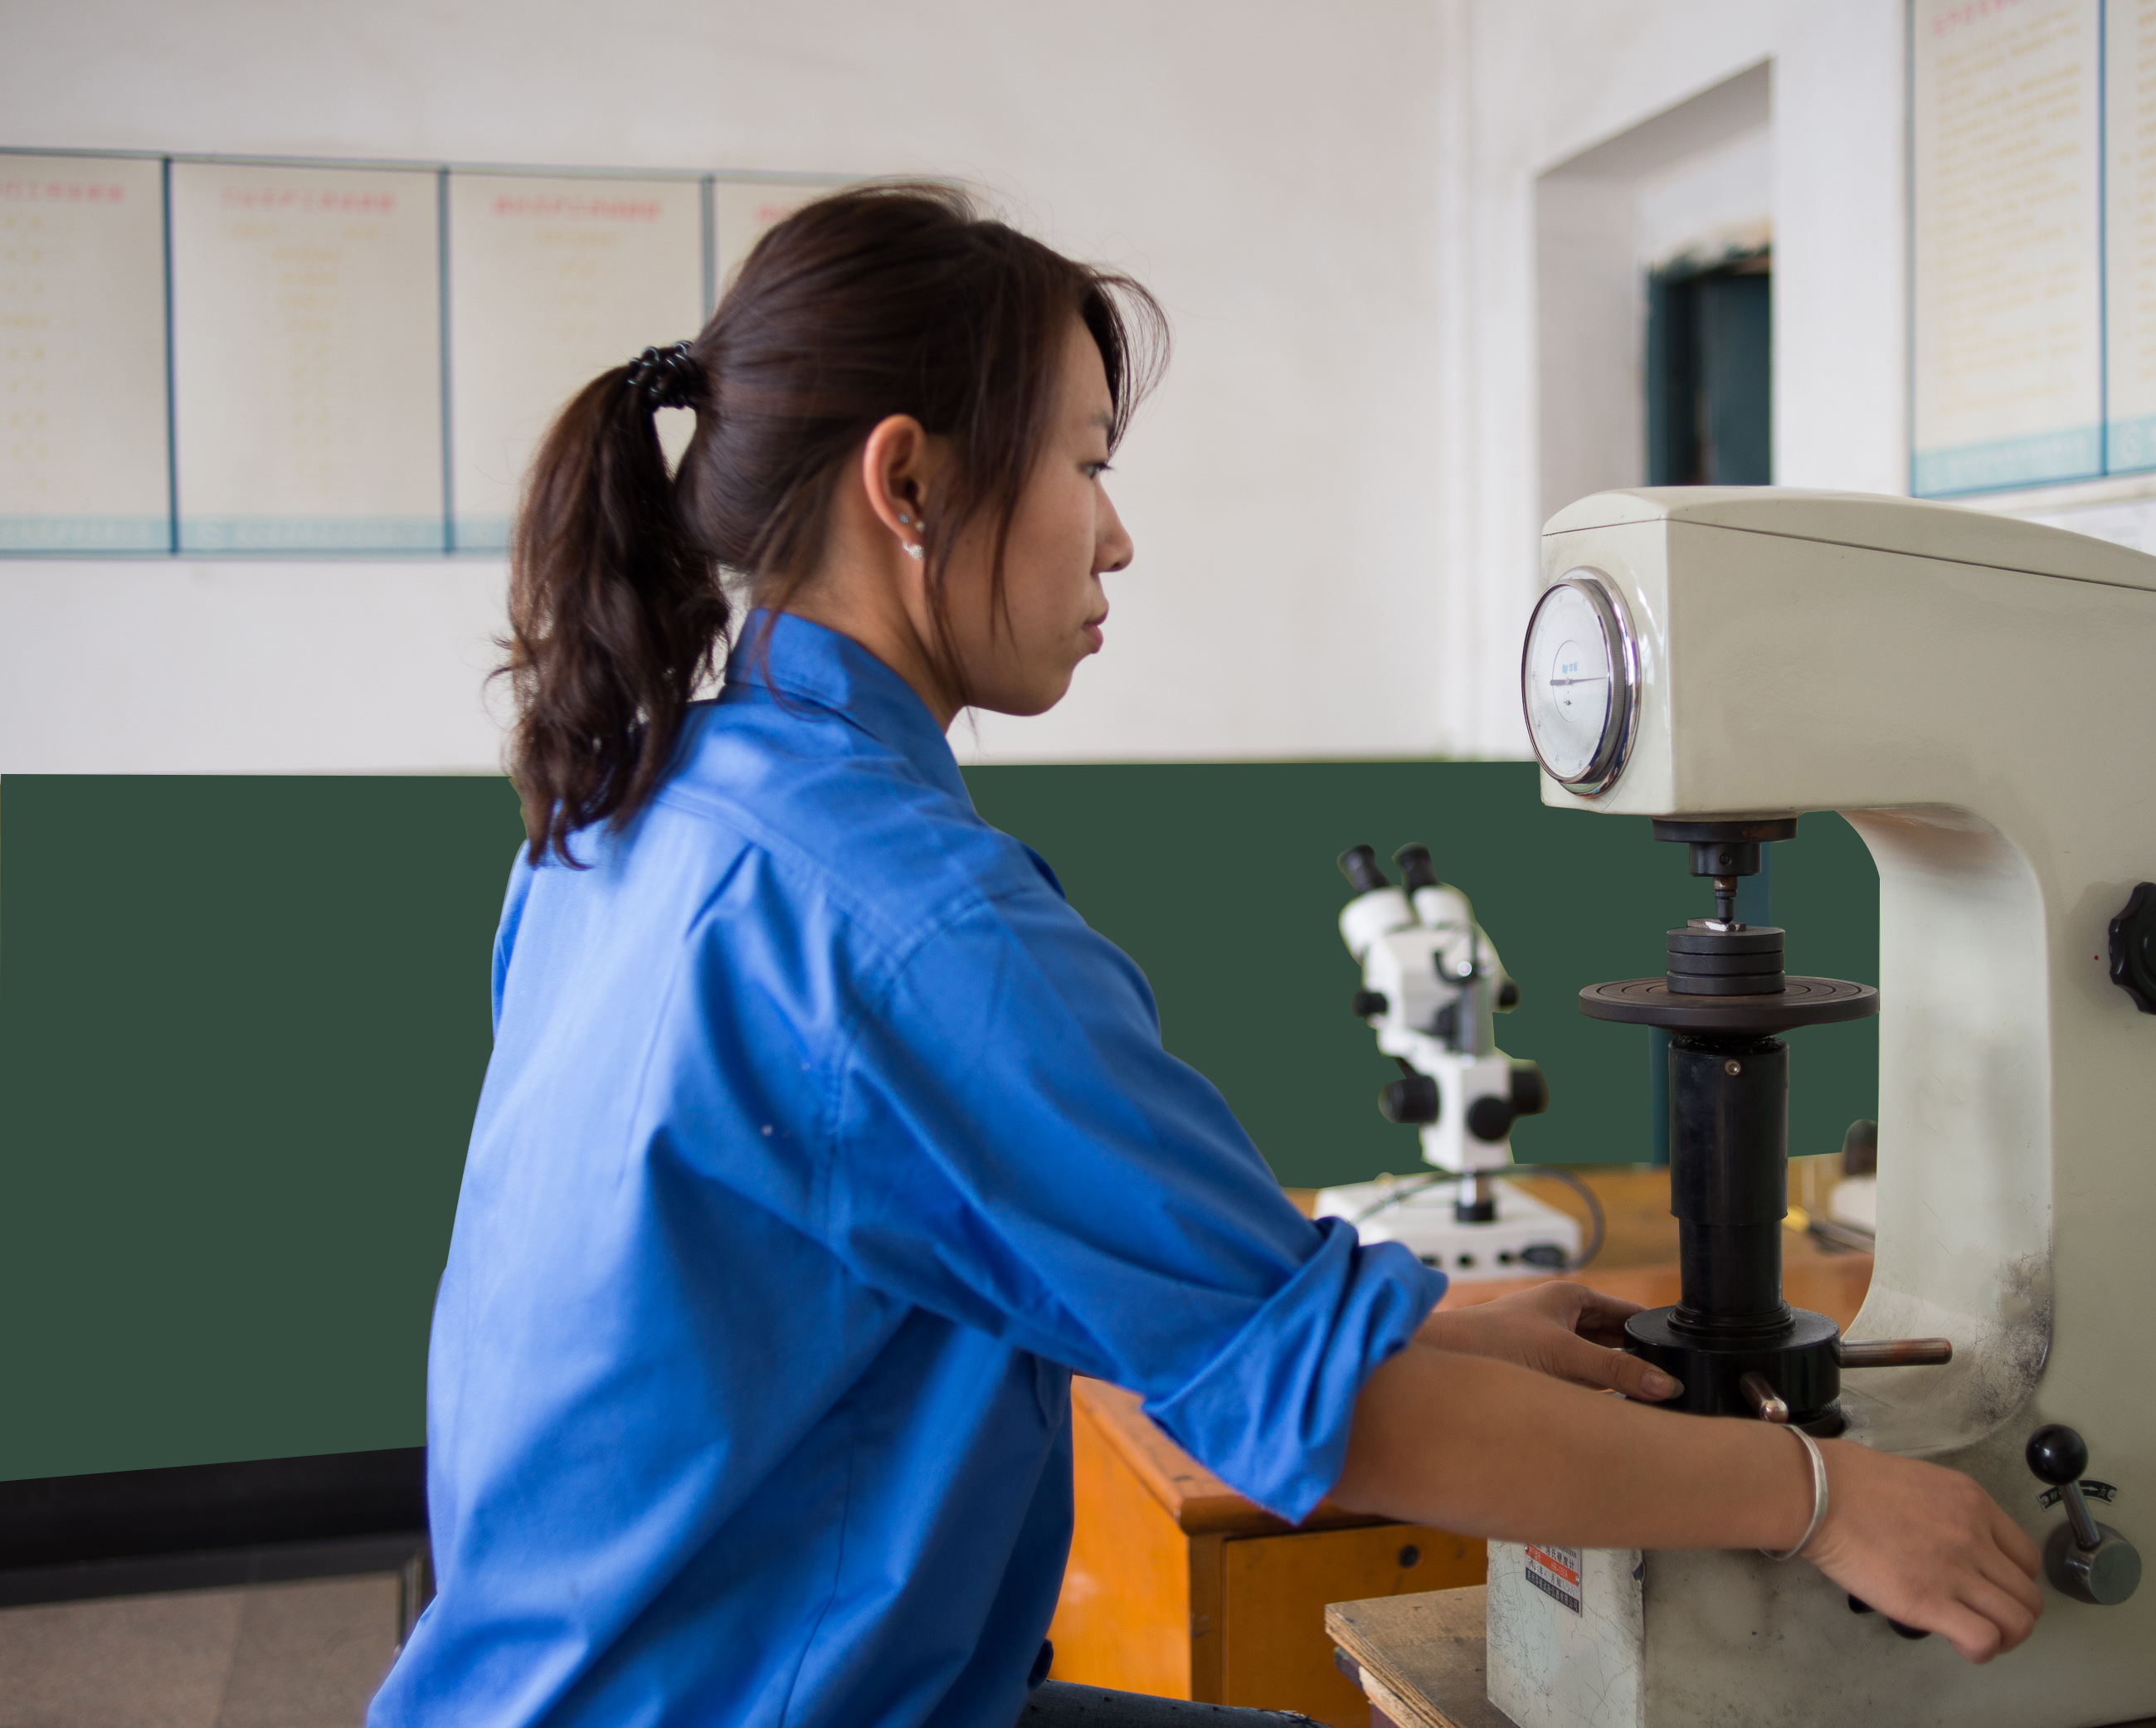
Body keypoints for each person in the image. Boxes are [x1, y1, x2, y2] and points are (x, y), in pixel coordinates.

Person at [367, 183, 2041, 1728]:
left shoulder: (629, 817)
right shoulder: (917, 925)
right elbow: (1341, 1433)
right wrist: (1824, 1501)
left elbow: (965, 1253)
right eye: (1086, 464)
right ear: (911, 482)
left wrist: (1436, 1324)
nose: (1115, 536)